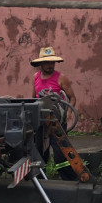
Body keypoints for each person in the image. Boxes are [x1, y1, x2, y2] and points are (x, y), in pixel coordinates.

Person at [31, 46, 78, 180]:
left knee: (60, 152)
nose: (50, 65)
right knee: (40, 151)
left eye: (52, 62)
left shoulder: (61, 78)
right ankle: (40, 178)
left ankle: (69, 179)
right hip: (41, 121)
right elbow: (34, 99)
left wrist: (69, 111)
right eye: (47, 63)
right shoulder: (35, 78)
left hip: (57, 121)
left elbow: (72, 97)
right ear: (40, 63)